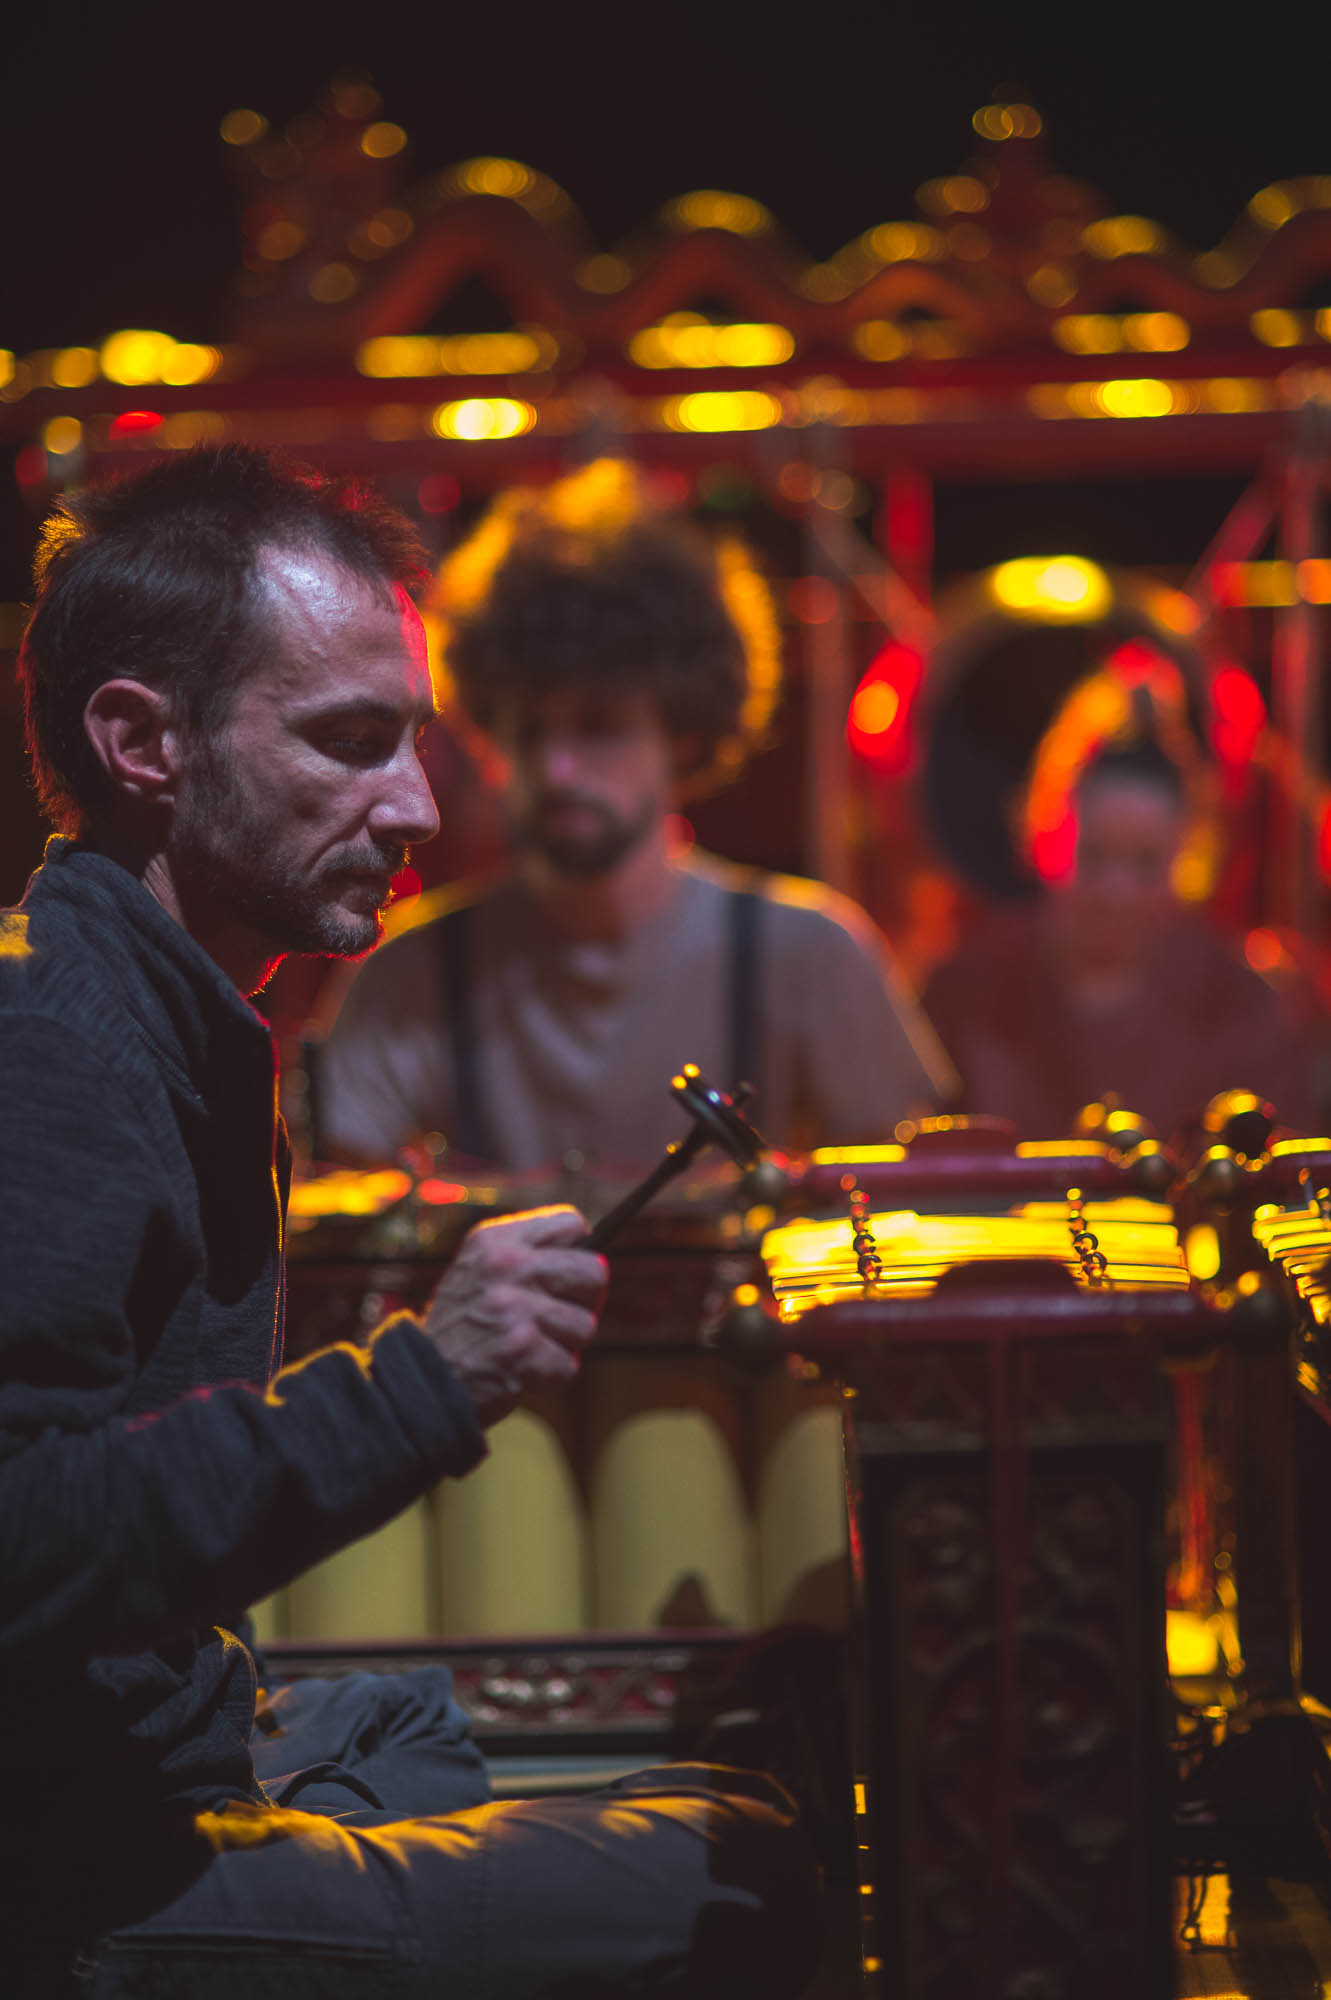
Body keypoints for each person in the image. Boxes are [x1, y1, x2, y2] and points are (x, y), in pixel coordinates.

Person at [0, 444, 819, 1996]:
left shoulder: (177, 1020)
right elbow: (19, 1536)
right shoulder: (50, 1041)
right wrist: (420, 1384)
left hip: (149, 1768)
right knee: (756, 1870)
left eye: (417, 743)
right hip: (66, 1873)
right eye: (349, 742)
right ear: (143, 742)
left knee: (404, 1722)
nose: (421, 806)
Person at [314, 458, 952, 1172]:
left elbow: (912, 1199)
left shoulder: (809, 953)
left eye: (600, 727)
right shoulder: (413, 971)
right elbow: (331, 1200)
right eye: (530, 731)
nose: (558, 768)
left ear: (683, 735)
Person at [925, 733, 1322, 1140]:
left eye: (1145, 864)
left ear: (1187, 863)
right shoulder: (969, 988)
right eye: (1094, 855)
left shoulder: (1242, 1007)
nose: (1116, 893)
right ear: (1046, 840)